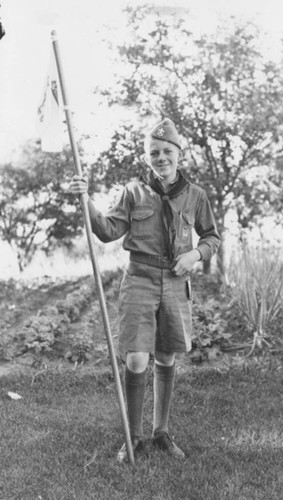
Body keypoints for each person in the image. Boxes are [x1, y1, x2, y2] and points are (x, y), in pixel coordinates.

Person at [69, 118, 220, 461]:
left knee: (166, 356)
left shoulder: (196, 196)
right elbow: (107, 231)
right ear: (147, 156)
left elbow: (212, 237)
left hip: (175, 280)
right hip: (139, 278)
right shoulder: (133, 192)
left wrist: (196, 254)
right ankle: (133, 437)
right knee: (137, 358)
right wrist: (86, 201)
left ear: (179, 154)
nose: (161, 157)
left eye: (167, 151)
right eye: (154, 152)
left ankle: (161, 433)